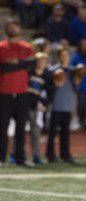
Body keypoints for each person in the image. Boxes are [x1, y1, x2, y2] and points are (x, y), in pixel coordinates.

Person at [0, 18, 34, 167]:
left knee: (21, 127)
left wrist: (15, 64)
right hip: (4, 93)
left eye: (15, 26)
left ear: (20, 29)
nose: (13, 29)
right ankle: (1, 158)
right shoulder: (1, 47)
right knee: (2, 126)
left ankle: (20, 158)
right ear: (6, 29)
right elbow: (3, 69)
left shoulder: (26, 47)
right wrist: (21, 66)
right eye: (10, 27)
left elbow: (32, 65)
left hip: (22, 93)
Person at [46, 47, 82, 163]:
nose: (64, 57)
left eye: (66, 55)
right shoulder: (53, 70)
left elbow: (74, 89)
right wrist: (55, 85)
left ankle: (65, 155)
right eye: (62, 55)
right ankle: (51, 155)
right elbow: (48, 88)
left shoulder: (72, 71)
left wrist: (77, 82)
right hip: (55, 105)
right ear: (59, 56)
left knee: (65, 132)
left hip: (67, 105)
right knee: (52, 133)